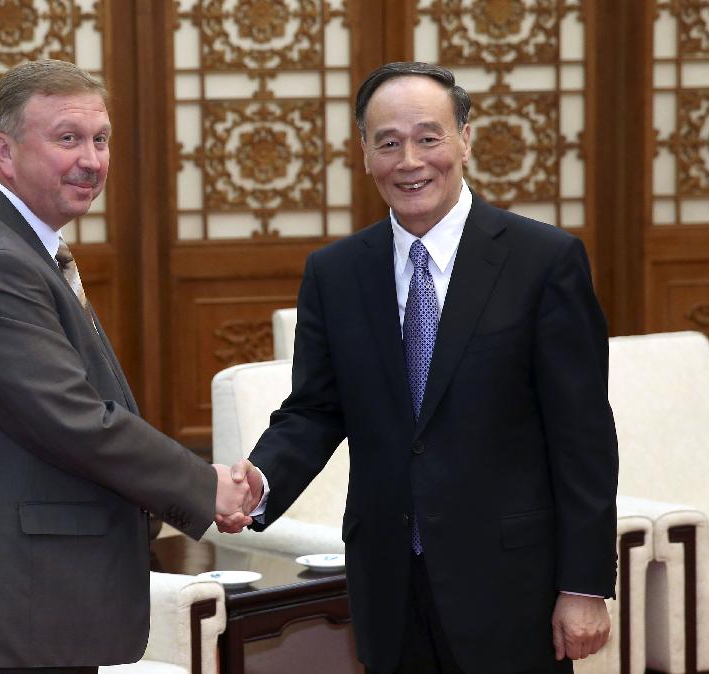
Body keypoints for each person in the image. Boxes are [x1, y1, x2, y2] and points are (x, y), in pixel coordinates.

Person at [221, 62, 619, 674]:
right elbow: (316, 410)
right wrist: (262, 481)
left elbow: (584, 437)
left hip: (511, 586)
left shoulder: (544, 261)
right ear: (364, 154)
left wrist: (585, 586)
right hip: (389, 585)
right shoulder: (336, 273)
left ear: (465, 138)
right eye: (388, 142)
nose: (409, 160)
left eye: (428, 137)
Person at [0, 59, 253, 674]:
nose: (92, 159)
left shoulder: (18, 245)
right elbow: (74, 419)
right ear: (4, 153)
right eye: (68, 139)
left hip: (32, 604)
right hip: (7, 609)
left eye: (101, 139)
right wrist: (203, 486)